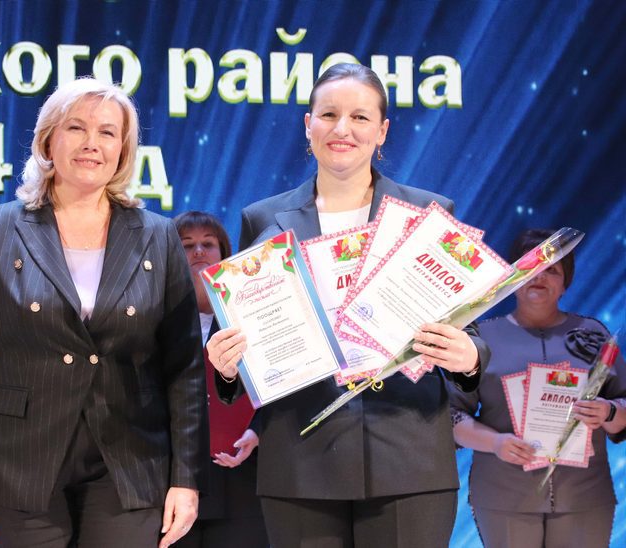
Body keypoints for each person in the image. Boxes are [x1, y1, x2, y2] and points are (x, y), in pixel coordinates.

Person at [206, 62, 490, 547]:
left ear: (382, 131)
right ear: (308, 125)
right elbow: (233, 340)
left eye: (360, 117)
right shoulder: (263, 218)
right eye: (329, 114)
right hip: (300, 462)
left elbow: (472, 338)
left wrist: (467, 358)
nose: (343, 129)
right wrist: (228, 367)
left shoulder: (428, 212)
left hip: (408, 459)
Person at [0, 77, 207, 548]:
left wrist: (187, 477)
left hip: (131, 459)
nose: (91, 143)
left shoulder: (158, 236)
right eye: (76, 128)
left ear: (123, 150)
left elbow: (184, 369)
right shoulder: (0, 228)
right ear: (47, 141)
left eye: (107, 132)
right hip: (22, 459)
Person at [450, 228, 626, 547]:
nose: (540, 276)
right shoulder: (480, 338)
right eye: (531, 266)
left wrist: (609, 412)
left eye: (553, 269)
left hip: (585, 497)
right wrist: (495, 442)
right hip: (504, 496)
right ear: (512, 277)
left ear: (565, 282)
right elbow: (452, 417)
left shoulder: (594, 334)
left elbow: (623, 407)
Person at [173, 211, 269, 548]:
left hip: (241, 477)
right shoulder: (156, 319)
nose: (198, 251)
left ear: (225, 254)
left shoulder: (254, 316)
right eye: (187, 245)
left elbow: (279, 384)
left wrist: (258, 432)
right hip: (174, 479)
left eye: (208, 244)